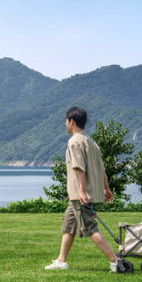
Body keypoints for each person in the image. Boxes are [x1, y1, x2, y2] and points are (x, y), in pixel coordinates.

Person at [45, 107, 118, 272]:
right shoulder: (91, 143)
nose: (65, 124)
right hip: (77, 195)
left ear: (71, 121)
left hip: (79, 195)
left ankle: (115, 261)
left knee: (89, 227)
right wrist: (106, 189)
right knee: (69, 225)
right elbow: (101, 169)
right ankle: (61, 261)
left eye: (66, 121)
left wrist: (82, 192)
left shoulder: (74, 142)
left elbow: (79, 168)